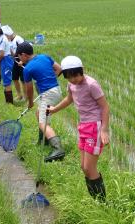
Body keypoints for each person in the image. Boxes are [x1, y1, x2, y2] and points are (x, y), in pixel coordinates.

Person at [48, 56, 109, 202]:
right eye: (69, 77)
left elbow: (105, 106)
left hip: (94, 126)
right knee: (83, 167)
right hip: (83, 126)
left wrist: (104, 130)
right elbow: (69, 99)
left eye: (76, 75)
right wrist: (54, 109)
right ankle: (96, 200)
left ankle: (102, 203)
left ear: (82, 71)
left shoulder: (91, 84)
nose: (73, 80)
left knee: (89, 168)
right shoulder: (71, 85)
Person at [15, 42, 65, 162]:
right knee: (39, 114)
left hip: (48, 94)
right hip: (56, 90)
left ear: (24, 55)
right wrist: (51, 79)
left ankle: (58, 149)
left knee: (43, 124)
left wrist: (30, 102)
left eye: (19, 56)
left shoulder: (27, 69)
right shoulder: (44, 57)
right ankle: (44, 141)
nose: (19, 59)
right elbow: (59, 69)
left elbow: (29, 88)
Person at [2, 25, 26, 101]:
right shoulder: (7, 41)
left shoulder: (18, 39)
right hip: (15, 61)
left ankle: (26, 96)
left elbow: (25, 50)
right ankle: (19, 95)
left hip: (22, 60)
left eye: (5, 35)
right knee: (15, 78)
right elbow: (12, 53)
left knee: (23, 80)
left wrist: (22, 61)